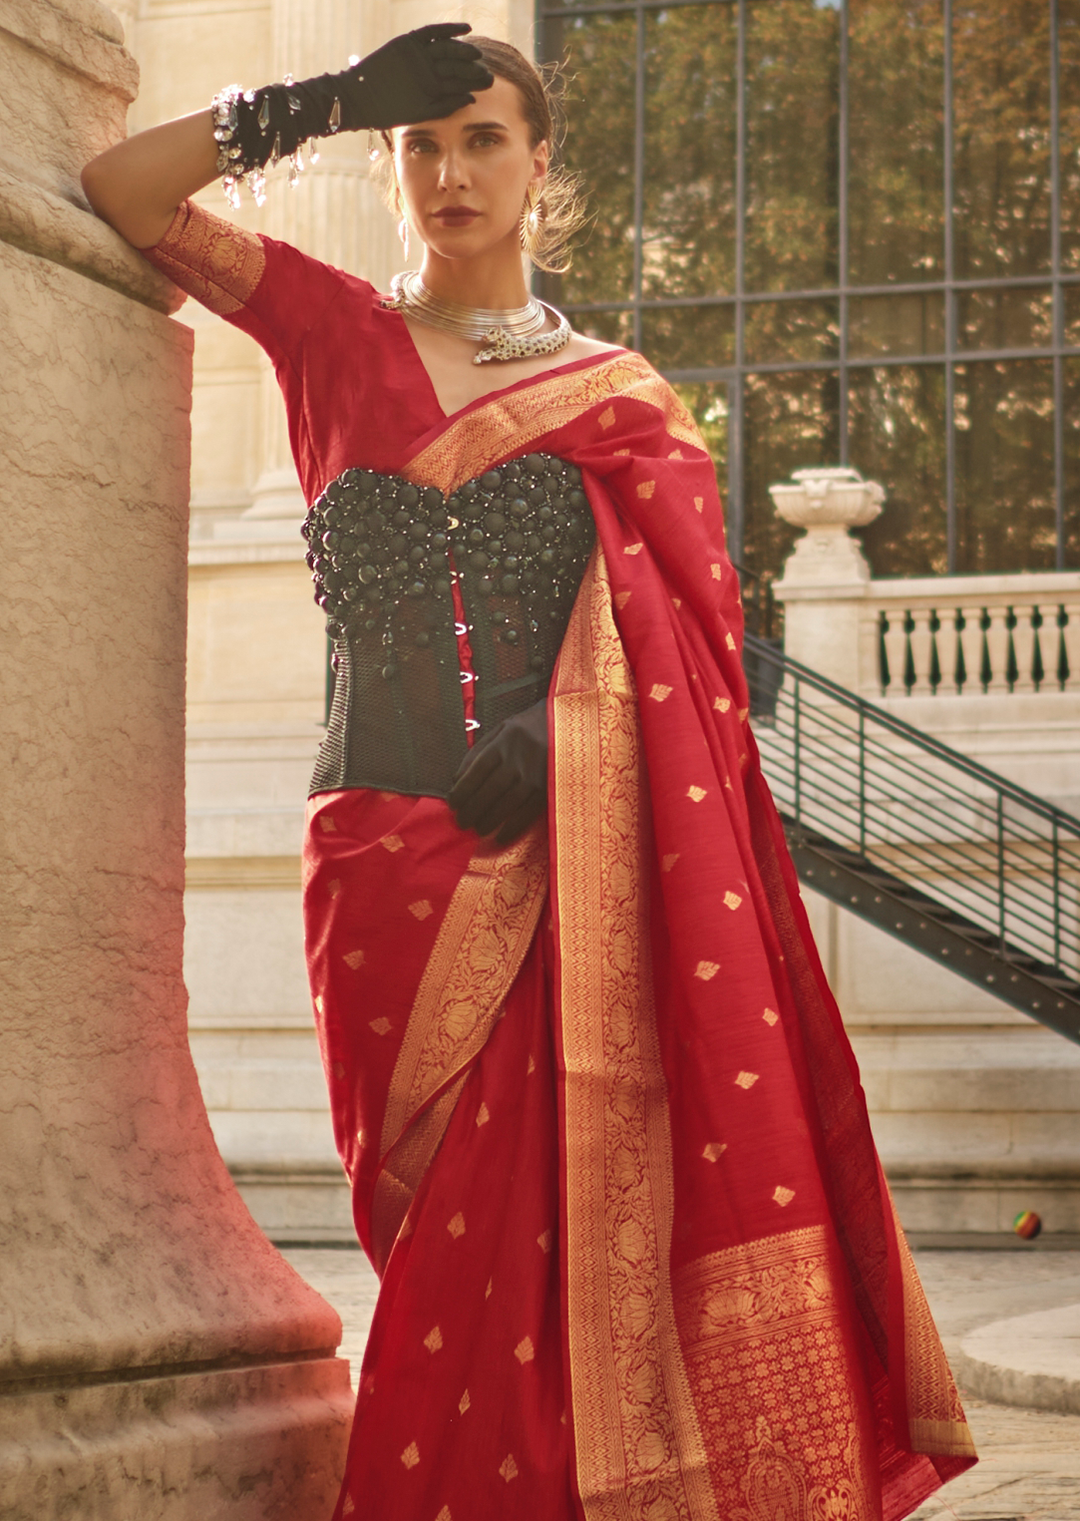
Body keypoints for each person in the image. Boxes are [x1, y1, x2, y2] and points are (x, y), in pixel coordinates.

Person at [82, 26, 976, 1521]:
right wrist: (312, 100)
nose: (450, 172)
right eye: (420, 145)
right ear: (388, 164)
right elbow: (123, 190)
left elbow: (700, 654)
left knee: (556, 1231)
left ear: (541, 162)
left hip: (563, 857)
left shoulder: (619, 398)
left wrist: (569, 741)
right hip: (381, 855)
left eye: (483, 139)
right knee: (437, 1227)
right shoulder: (331, 333)